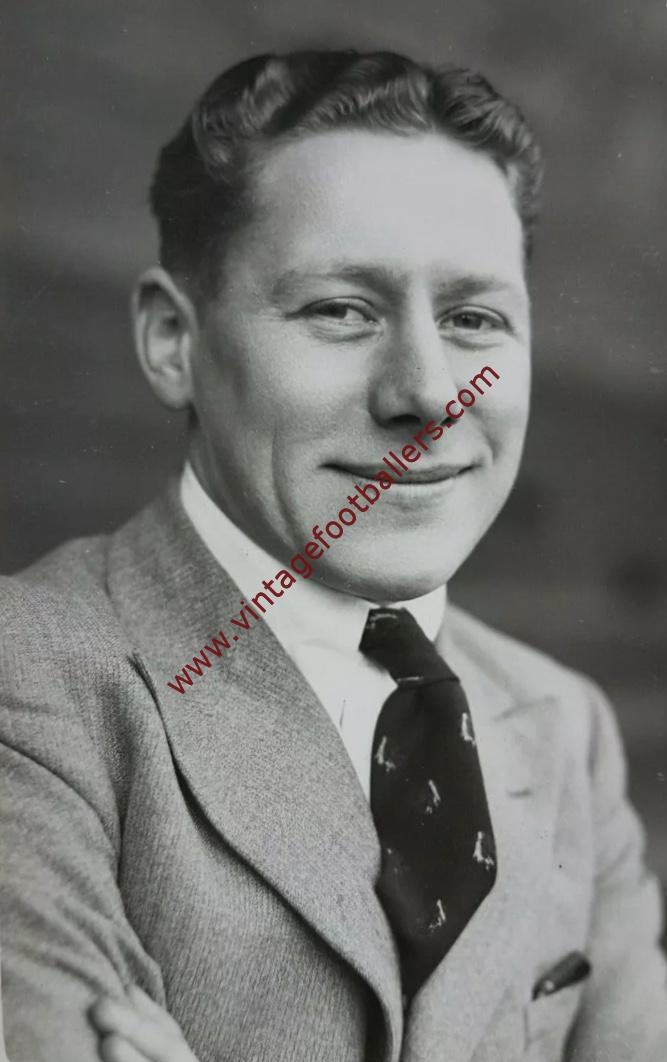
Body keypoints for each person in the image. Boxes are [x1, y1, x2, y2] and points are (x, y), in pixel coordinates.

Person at [1, 49, 666, 1062]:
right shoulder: (31, 673)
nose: (426, 392)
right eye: (341, 310)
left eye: (474, 318)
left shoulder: (563, 727)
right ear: (174, 342)